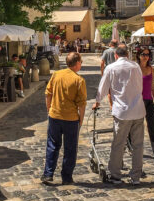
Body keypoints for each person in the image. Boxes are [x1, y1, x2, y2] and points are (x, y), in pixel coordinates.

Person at [94, 45, 145, 185]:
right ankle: (136, 177)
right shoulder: (136, 66)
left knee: (118, 144)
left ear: (116, 55)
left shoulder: (111, 68)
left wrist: (97, 102)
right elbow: (140, 85)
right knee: (138, 145)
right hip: (138, 110)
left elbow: (103, 88)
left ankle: (116, 175)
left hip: (122, 111)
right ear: (127, 54)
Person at [41, 52, 87, 185]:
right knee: (70, 148)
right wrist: (81, 121)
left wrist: (49, 109)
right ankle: (66, 177)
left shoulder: (56, 74)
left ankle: (48, 174)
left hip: (54, 116)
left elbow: (47, 94)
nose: (81, 64)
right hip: (71, 119)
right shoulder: (79, 80)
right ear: (77, 63)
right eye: (81, 62)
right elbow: (82, 105)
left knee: (52, 145)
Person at [136, 47, 154, 161]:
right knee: (136, 127)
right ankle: (132, 147)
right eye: (143, 54)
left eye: (147, 54)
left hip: (149, 101)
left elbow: (152, 85)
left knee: (153, 127)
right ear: (138, 55)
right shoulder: (135, 68)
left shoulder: (151, 68)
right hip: (137, 101)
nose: (146, 56)